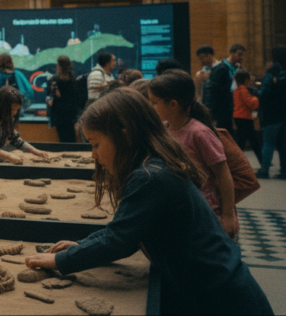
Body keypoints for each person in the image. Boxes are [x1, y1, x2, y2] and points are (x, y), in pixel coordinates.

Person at [24, 89, 272, 316]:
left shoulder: (150, 176)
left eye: (96, 144)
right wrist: (82, 245)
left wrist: (59, 261)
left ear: (124, 136)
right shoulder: (153, 166)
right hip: (213, 287)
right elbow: (131, 229)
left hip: (221, 297)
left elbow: (118, 241)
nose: (93, 155)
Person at [149, 70, 239, 239]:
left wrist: (227, 216)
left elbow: (224, 174)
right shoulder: (165, 129)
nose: (151, 107)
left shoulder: (199, 133)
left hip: (209, 212)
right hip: (184, 210)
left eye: (154, 103)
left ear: (173, 104)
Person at [0, 86, 50, 163]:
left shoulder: (7, 118)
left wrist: (35, 151)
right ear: (2, 106)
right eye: (12, 109)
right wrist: (9, 156)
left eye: (17, 109)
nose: (14, 113)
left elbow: (15, 139)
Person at [203, 43, 246, 139]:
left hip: (227, 109)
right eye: (239, 55)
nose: (241, 58)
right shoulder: (221, 69)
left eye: (242, 55)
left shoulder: (235, 69)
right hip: (220, 110)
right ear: (232, 54)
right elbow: (212, 90)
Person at [258, 45, 286, 179]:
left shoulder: (272, 72)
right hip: (283, 113)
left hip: (271, 114)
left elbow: (264, 94)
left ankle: (264, 170)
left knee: (268, 142)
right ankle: (284, 170)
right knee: (283, 144)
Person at [48, 55, 80, 143]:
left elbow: (55, 96)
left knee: (62, 137)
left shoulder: (55, 79)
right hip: (71, 111)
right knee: (72, 136)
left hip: (59, 112)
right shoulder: (74, 78)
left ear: (58, 65)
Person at [233, 69, 262, 153]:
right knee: (251, 141)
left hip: (239, 117)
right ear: (246, 80)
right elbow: (250, 103)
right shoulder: (243, 89)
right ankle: (263, 161)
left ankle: (263, 161)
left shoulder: (236, 90)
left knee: (244, 140)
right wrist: (256, 98)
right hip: (244, 118)